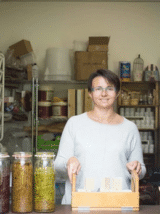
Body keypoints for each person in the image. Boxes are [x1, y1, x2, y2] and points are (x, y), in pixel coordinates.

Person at [54, 69, 146, 204]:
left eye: (109, 88)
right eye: (98, 89)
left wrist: (137, 167)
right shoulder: (75, 123)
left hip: (117, 204)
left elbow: (141, 170)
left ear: (118, 93)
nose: (104, 93)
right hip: (80, 203)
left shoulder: (129, 128)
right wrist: (69, 161)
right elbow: (58, 164)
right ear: (90, 93)